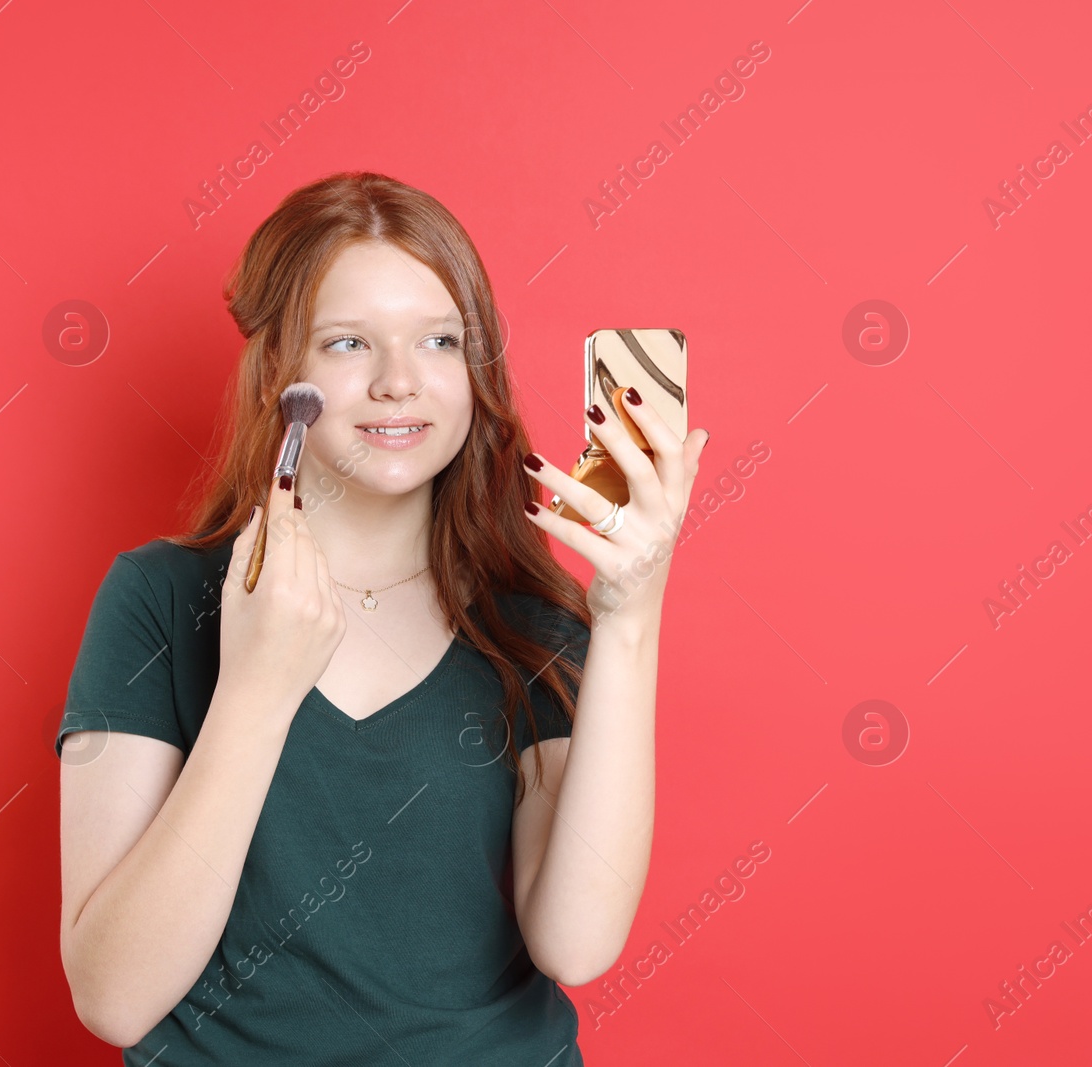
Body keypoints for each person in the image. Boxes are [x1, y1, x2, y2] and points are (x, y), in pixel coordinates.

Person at [55, 171, 707, 1064]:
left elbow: (578, 942)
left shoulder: (534, 624)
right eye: (350, 342)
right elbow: (114, 996)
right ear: (282, 370)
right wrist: (256, 683)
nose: (401, 382)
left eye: (440, 340)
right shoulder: (159, 599)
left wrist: (631, 615)